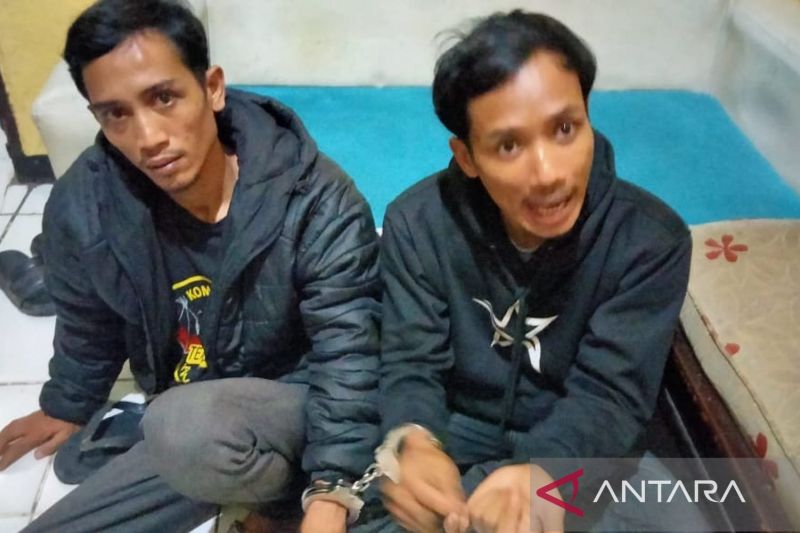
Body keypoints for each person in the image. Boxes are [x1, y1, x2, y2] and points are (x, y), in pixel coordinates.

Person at [0, 0, 380, 531]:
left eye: (164, 98)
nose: (148, 136)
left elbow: (350, 358)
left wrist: (330, 492)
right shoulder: (85, 204)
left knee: (183, 425)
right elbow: (90, 321)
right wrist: (68, 403)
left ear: (212, 88)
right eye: (116, 114)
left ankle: (281, 501)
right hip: (191, 425)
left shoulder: (315, 199)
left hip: (294, 405)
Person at [363, 10, 693, 533]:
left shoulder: (650, 240)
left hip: (580, 447)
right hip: (458, 430)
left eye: (565, 129)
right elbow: (410, 362)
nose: (549, 174)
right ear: (467, 157)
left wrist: (544, 471)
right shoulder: (417, 222)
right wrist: (414, 439)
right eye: (509, 146)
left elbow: (611, 398)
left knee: (685, 517)